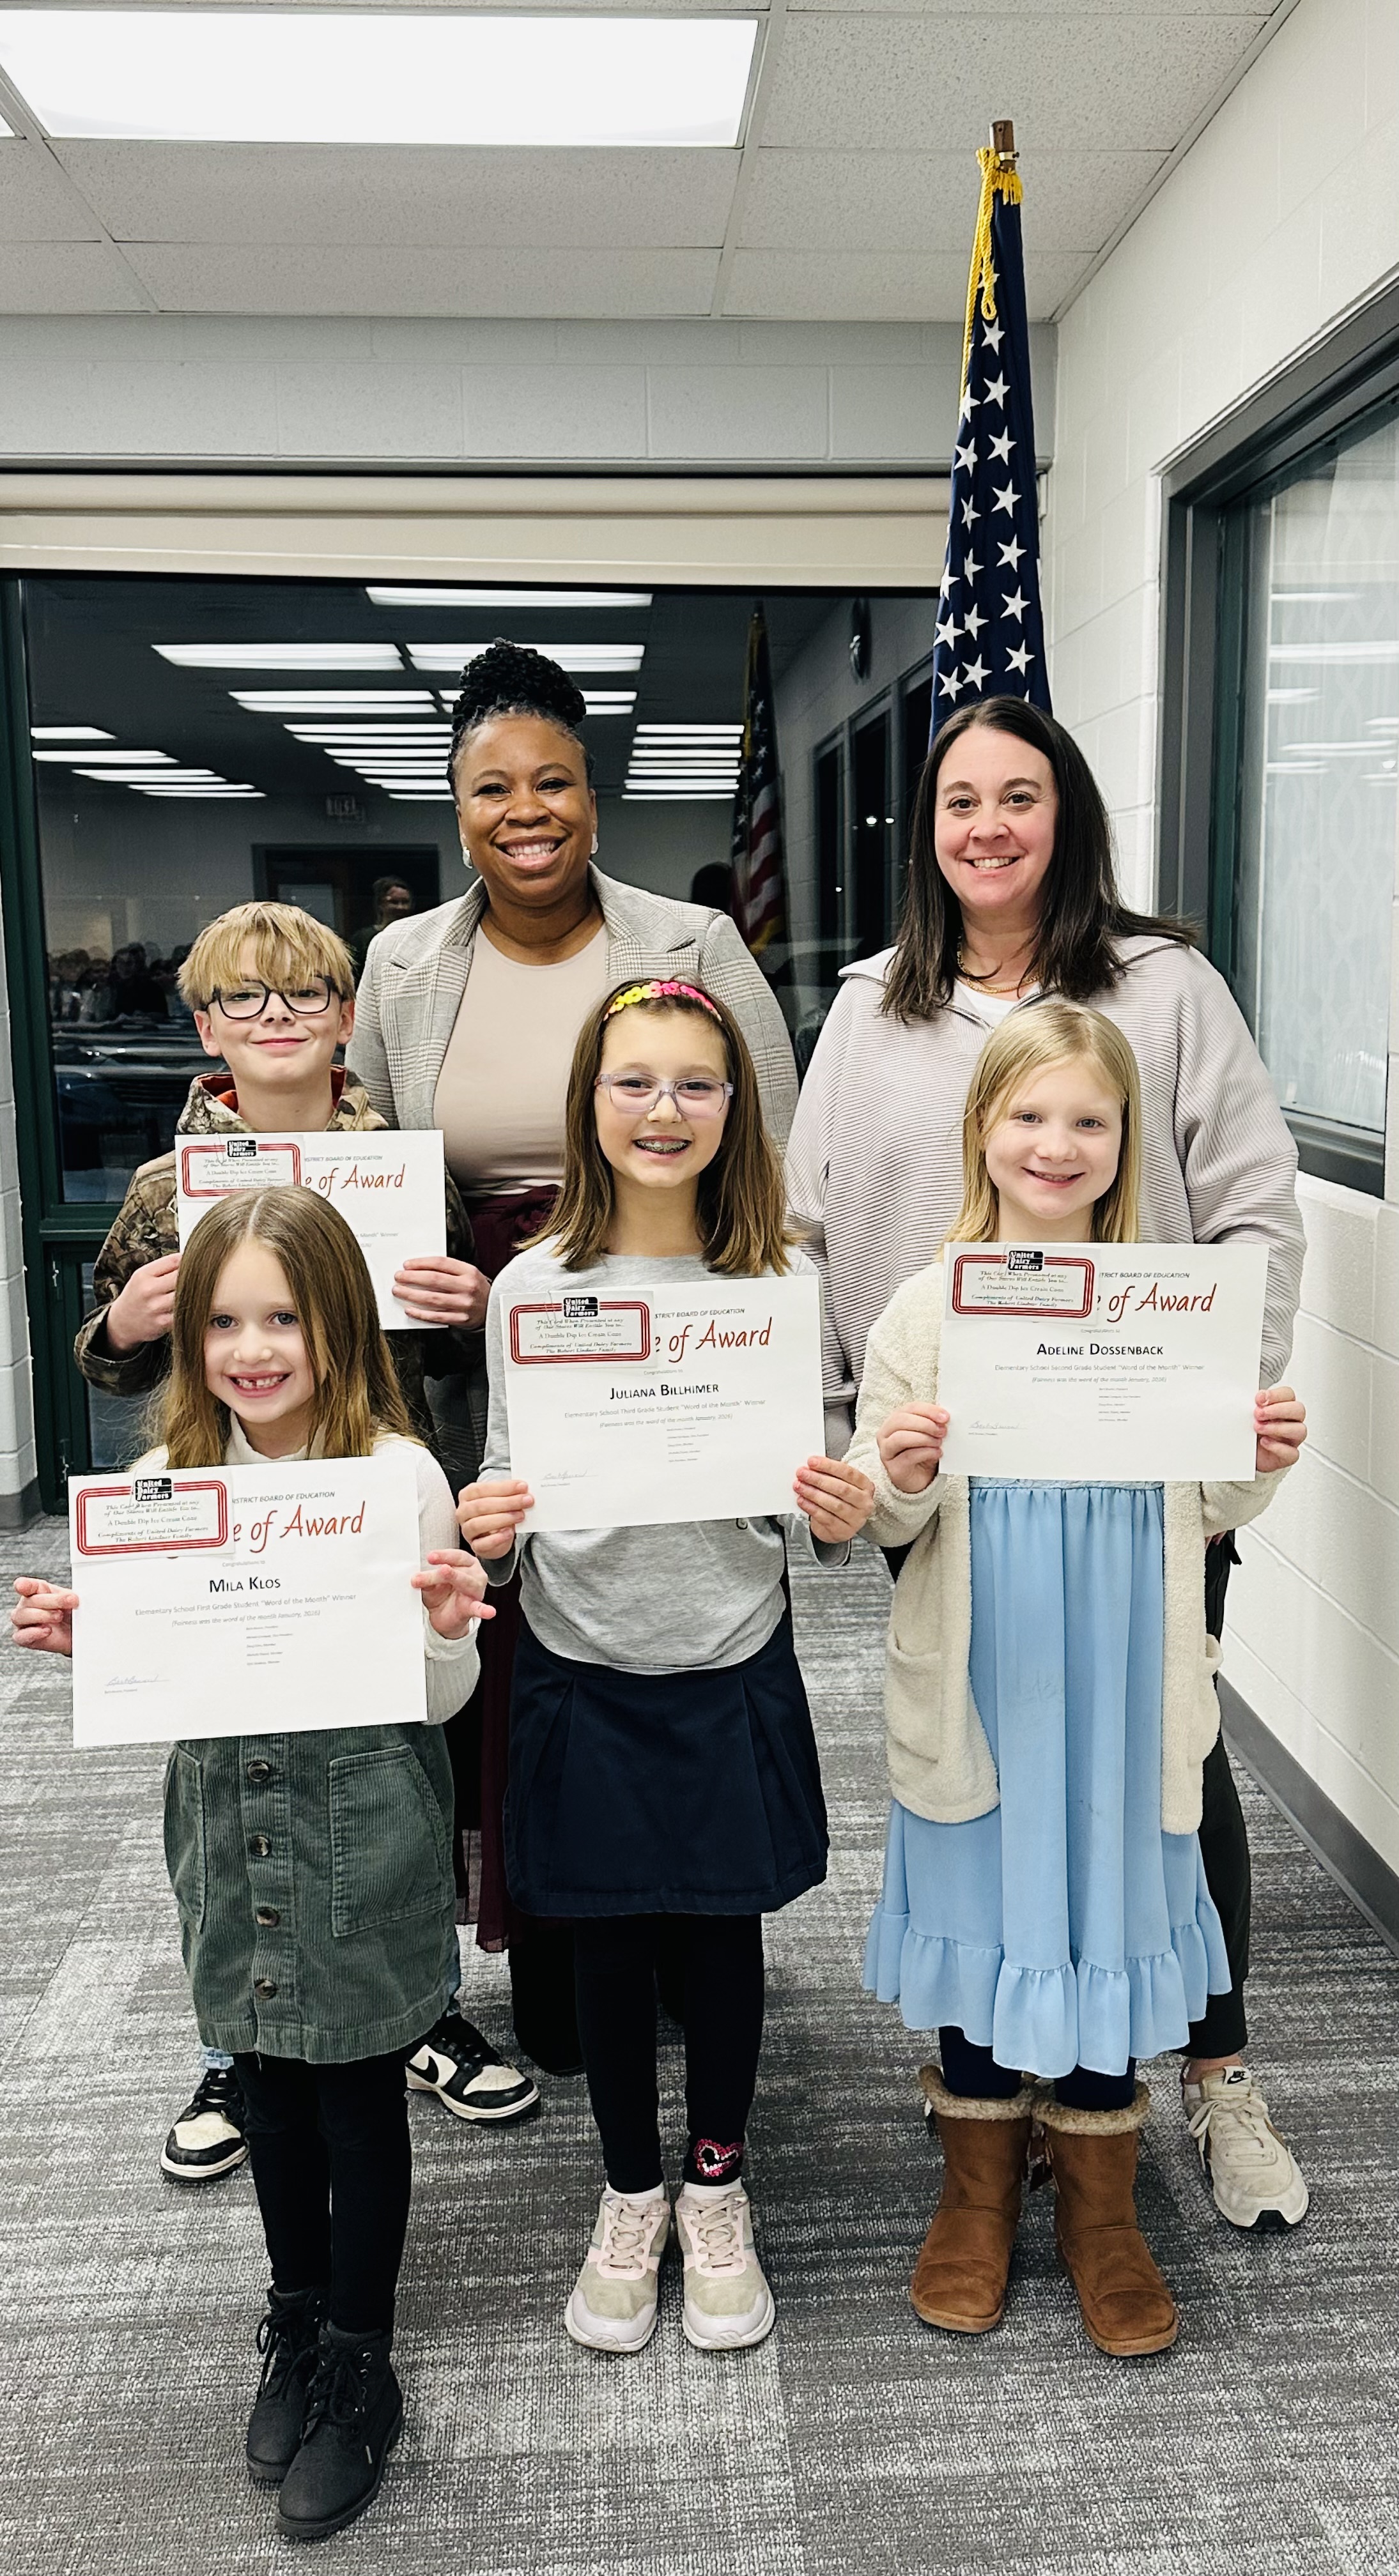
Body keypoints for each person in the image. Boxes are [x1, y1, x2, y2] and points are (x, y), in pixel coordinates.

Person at [787, 695, 1311, 2231]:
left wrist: (1208, 1414)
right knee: (980, 1761)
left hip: (1140, 1479)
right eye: (959, 800)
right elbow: (804, 1227)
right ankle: (995, 2078)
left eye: (1018, 796)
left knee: (1161, 1765)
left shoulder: (1163, 986)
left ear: (1064, 814)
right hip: (944, 1475)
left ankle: (1210, 2074)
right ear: (926, 830)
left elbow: (1252, 1209)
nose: (987, 827)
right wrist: (846, 1447)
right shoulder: (872, 1005)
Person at [13, 1188, 493, 2540]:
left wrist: (449, 1627)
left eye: (283, 1317)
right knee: (269, 2088)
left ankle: (359, 2355)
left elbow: (437, 1701)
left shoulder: (398, 1476)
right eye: (223, 1322)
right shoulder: (171, 1480)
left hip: (363, 1826)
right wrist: (96, 1645)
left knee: (356, 2093)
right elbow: (172, 1672)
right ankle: (294, 2316)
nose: (251, 1348)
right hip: (230, 1826)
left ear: (338, 1322)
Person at [348, 640, 798, 2074]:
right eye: (492, 787)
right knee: (522, 1657)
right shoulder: (401, 964)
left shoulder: (691, 943)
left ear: (592, 798)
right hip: (474, 1354)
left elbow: (772, 1157)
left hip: (668, 1344)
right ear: (457, 807)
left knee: (673, 1629)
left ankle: (694, 1920)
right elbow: (372, 1169)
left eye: (551, 781)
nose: (524, 810)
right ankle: (559, 1932)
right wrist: (440, 1290)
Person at [848, 1004, 1306, 2355]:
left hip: (1118, 1686)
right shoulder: (925, 1309)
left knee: (1104, 1906)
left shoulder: (1166, 1304)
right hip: (983, 1683)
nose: (1055, 1145)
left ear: (1123, 1144)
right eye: (1027, 1115)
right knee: (985, 1908)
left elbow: (1210, 1497)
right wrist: (896, 1474)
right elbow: (882, 1508)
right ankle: (975, 2195)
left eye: (1088, 1121)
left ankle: (1101, 2211)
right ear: (980, 1129)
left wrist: (1256, 1454)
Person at [73, 901, 536, 2190]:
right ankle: (240, 2039)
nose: (274, 1017)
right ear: (204, 1024)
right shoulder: (165, 1189)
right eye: (244, 997)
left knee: (404, 1774)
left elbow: (454, 1352)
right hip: (229, 1526)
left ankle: (417, 2006)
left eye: (302, 996)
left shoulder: (406, 1166)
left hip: (378, 1509)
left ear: (346, 1017)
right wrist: (124, 1325)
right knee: (232, 1783)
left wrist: (467, 1308)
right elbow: (114, 1369)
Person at [457, 977, 873, 2354]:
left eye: (696, 1084)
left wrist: (836, 1508)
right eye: (632, 1081)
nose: (663, 1110)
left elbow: (813, 1500)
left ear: (735, 1106)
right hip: (582, 1658)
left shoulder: (776, 1282)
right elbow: (506, 1476)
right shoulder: (534, 1287)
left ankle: (716, 2184)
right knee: (608, 1942)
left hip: (726, 1653)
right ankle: (629, 2192)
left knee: (718, 1932)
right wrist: (486, 1527)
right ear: (587, 1099)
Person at [348, 875, 415, 978]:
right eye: (394, 902)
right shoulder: (363, 939)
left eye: (405, 902)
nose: (400, 907)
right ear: (380, 903)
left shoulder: (415, 937)